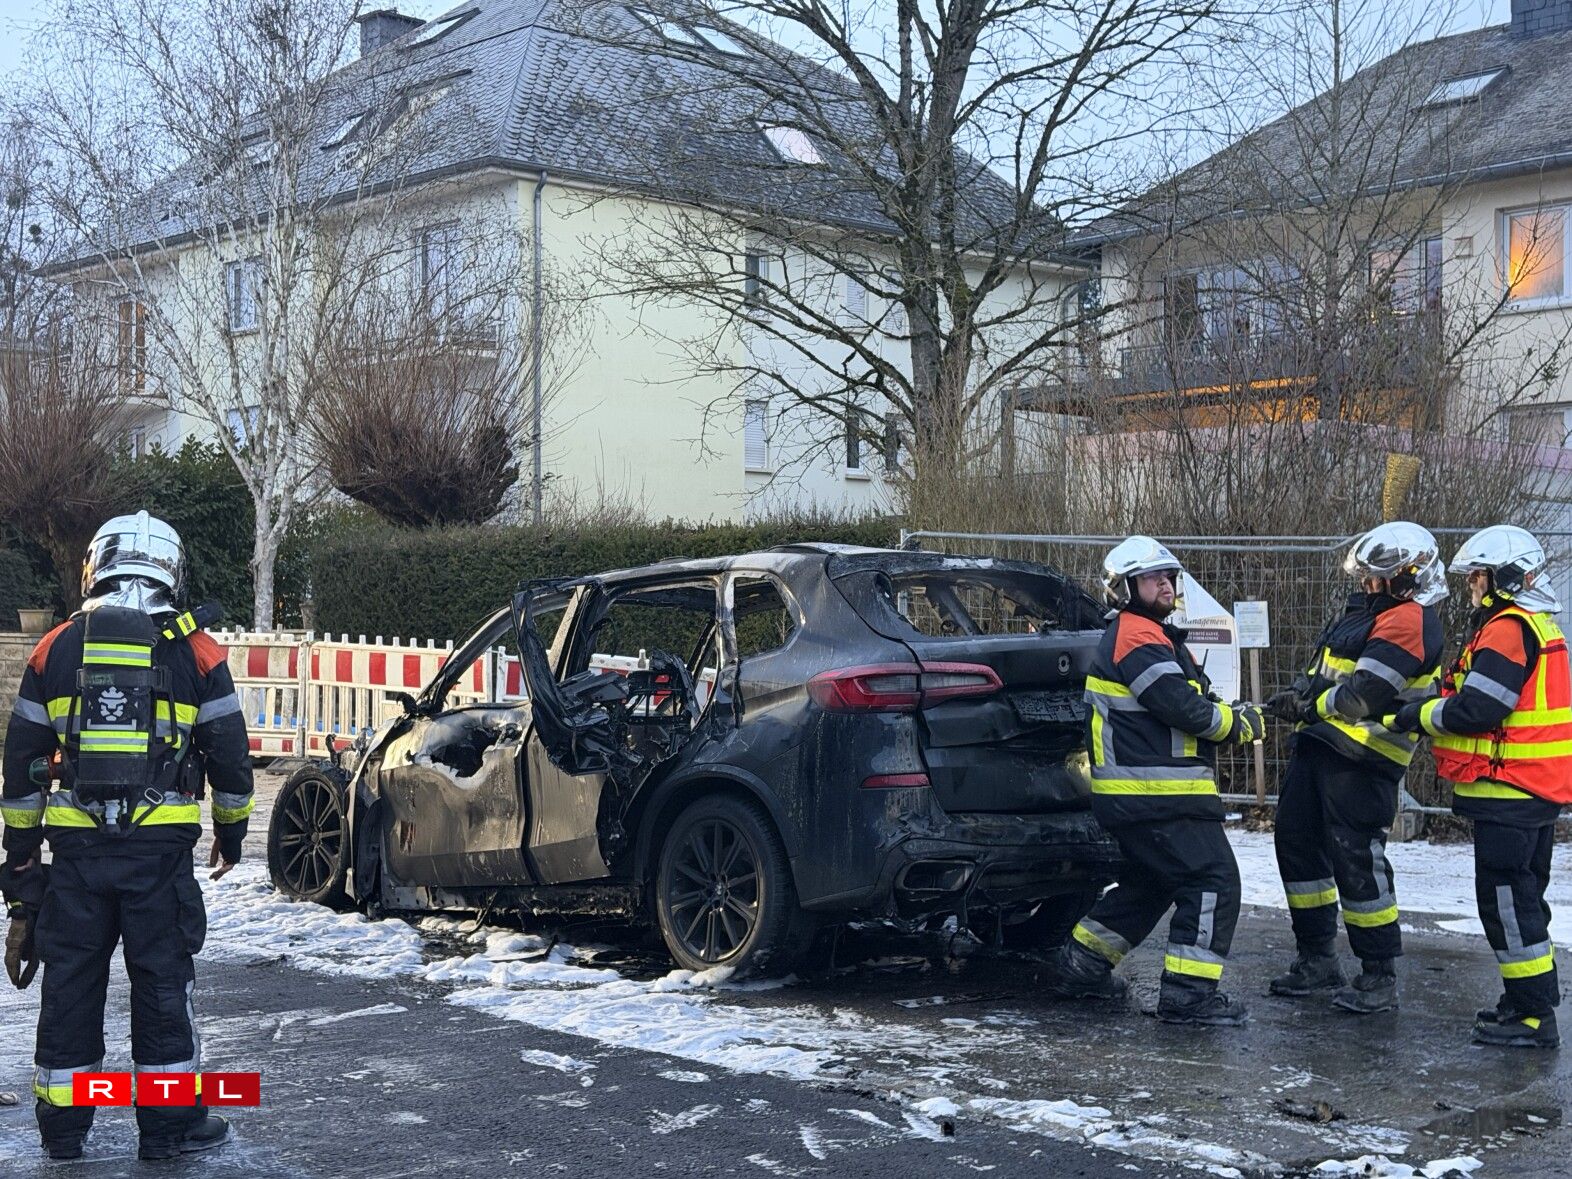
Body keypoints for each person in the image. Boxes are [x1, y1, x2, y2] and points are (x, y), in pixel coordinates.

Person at [0, 511, 254, 1161]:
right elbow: (228, 752)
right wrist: (231, 830)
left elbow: (22, 764)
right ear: (172, 570)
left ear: (94, 566)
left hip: (77, 858)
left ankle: (62, 1130)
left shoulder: (52, 647)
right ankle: (169, 1130)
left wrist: (21, 859)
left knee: (71, 987)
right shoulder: (195, 647)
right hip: (159, 859)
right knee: (163, 987)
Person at [1042, 536, 1264, 1025]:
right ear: (1124, 589)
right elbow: (1180, 706)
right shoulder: (1137, 635)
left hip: (1140, 796)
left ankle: (1081, 967)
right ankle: (1188, 997)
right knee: (1214, 882)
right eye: (1152, 577)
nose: (1165, 583)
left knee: (1149, 885)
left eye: (1169, 576)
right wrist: (1237, 725)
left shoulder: (1145, 634)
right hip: (1157, 795)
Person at [1391, 525, 1569, 1049]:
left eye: (1477, 576)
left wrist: (1414, 716)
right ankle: (1526, 1001)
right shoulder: (1537, 625)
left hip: (1510, 790)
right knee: (1524, 900)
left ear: (1503, 579)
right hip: (1531, 790)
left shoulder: (1508, 628)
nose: (1471, 585)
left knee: (1509, 903)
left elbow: (1479, 708)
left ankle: (1533, 1016)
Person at [1264, 521, 1443, 1014]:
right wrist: (1301, 694)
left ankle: (1378, 973)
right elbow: (1326, 673)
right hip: (1321, 749)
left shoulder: (1409, 620)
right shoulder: (1363, 612)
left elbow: (1361, 696)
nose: (1365, 584)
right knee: (1296, 844)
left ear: (1404, 578)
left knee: (1357, 861)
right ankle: (1317, 959)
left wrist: (1307, 706)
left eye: (1374, 577)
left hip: (1364, 758)